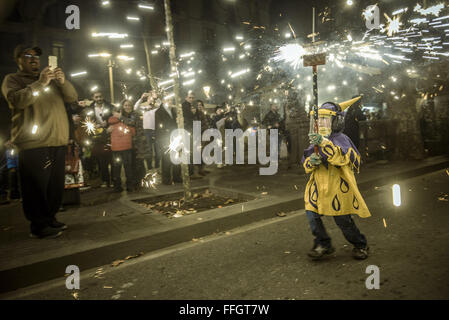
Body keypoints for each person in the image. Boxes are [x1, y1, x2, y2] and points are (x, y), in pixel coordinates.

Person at [1, 44, 78, 238]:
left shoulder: (52, 82)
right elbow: (18, 101)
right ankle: (38, 225)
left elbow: (72, 97)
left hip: (57, 141)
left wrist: (62, 81)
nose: (34, 59)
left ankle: (50, 218)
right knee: (36, 187)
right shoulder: (13, 80)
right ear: (18, 60)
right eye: (28, 55)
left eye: (36, 56)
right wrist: (40, 83)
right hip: (34, 144)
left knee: (54, 185)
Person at [302, 98, 370, 260]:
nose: (322, 123)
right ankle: (323, 243)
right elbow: (305, 162)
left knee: (343, 221)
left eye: (326, 119)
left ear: (336, 121)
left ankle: (360, 244)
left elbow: (346, 159)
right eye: (319, 119)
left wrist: (325, 144)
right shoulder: (314, 140)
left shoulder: (342, 139)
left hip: (337, 189)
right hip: (317, 187)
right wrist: (310, 161)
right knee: (312, 215)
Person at [107, 104, 136, 193]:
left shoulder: (110, 123)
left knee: (117, 168)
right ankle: (129, 186)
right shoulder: (126, 121)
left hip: (116, 149)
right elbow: (133, 132)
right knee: (128, 167)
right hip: (126, 147)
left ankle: (117, 186)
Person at [155, 97, 182, 185]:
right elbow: (159, 127)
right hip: (165, 138)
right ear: (163, 101)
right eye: (168, 100)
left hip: (175, 136)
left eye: (171, 100)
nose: (170, 101)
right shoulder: (159, 112)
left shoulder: (173, 111)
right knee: (166, 158)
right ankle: (166, 179)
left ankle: (176, 176)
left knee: (176, 157)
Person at [90, 91, 113, 187]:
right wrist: (94, 126)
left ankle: (114, 180)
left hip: (109, 135)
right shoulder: (90, 109)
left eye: (100, 96)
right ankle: (105, 180)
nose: (99, 98)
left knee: (112, 160)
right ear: (93, 98)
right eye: (96, 97)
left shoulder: (110, 106)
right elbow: (87, 121)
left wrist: (107, 123)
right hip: (97, 137)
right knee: (101, 160)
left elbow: (114, 118)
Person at [134, 91, 160, 170]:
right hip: (146, 130)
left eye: (152, 98)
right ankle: (149, 167)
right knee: (149, 150)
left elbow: (162, 105)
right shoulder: (143, 107)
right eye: (150, 98)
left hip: (156, 130)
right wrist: (141, 98)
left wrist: (157, 98)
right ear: (147, 99)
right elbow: (135, 108)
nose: (151, 100)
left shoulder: (157, 107)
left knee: (158, 150)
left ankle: (157, 166)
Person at [285, 92, 310, 170]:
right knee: (297, 145)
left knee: (296, 145)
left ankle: (297, 160)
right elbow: (292, 115)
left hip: (296, 127)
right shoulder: (294, 106)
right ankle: (298, 160)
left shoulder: (291, 105)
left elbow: (290, 115)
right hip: (297, 127)